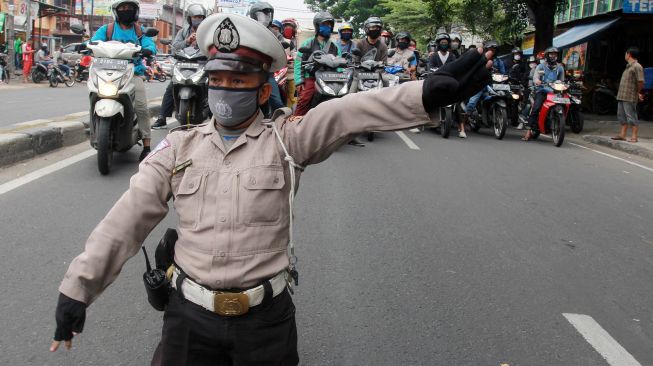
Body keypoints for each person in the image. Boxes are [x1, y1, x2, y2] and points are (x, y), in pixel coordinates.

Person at [49, 12, 494, 364]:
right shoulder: (177, 148)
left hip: (265, 322)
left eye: (239, 82)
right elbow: (126, 220)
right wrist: (77, 291)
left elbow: (348, 112)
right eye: (218, 80)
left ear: (263, 92)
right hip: (186, 318)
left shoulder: (288, 139)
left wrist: (425, 95)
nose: (225, 91)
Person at [91, 0, 157, 160]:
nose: (126, 11)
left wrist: (149, 49)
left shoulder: (139, 31)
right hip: (106, 71)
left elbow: (150, 44)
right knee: (93, 95)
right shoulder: (107, 30)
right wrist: (84, 45)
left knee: (141, 107)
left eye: (129, 8)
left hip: (132, 73)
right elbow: (92, 41)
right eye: (123, 8)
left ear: (135, 11)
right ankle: (94, 132)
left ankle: (147, 146)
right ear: (116, 11)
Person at [152, 3, 207, 130]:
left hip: (202, 64)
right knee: (172, 86)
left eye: (200, 17)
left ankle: (213, 114)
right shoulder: (183, 32)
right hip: (183, 63)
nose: (197, 19)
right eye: (195, 17)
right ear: (189, 18)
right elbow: (175, 46)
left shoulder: (208, 32)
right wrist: (187, 41)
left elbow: (213, 47)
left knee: (211, 85)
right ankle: (162, 117)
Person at [293, 11, 341, 116]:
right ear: (317, 26)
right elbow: (298, 63)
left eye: (329, 25)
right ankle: (296, 121)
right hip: (311, 77)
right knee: (304, 99)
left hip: (330, 78)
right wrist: (299, 81)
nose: (327, 27)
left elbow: (340, 62)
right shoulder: (308, 43)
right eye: (324, 24)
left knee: (340, 100)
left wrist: (340, 75)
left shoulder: (335, 46)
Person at [460, 40, 504, 139]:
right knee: (472, 103)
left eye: (494, 49)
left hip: (493, 85)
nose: (493, 51)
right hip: (480, 84)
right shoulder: (481, 59)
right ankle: (462, 123)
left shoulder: (499, 61)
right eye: (491, 49)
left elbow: (503, 73)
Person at [249, 1, 284, 116]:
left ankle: (278, 125)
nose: (266, 17)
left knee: (277, 102)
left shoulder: (274, 32)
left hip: (267, 72)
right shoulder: (247, 29)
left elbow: (281, 42)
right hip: (249, 71)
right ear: (254, 15)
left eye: (269, 14)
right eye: (263, 14)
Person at [522, 46, 565, 141]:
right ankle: (528, 132)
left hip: (554, 91)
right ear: (547, 55)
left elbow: (562, 80)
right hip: (542, 90)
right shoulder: (541, 66)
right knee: (536, 108)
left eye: (555, 54)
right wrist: (537, 80)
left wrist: (563, 84)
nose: (553, 56)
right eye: (551, 54)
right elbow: (536, 77)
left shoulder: (560, 68)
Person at [611, 46, 645, 143]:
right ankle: (622, 135)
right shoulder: (628, 66)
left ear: (629, 54)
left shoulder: (637, 66)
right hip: (622, 95)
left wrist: (638, 92)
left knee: (631, 116)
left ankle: (634, 136)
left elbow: (640, 81)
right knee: (621, 115)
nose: (625, 55)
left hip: (630, 95)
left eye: (626, 53)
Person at [282, 18, 299, 109]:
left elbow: (296, 56)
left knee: (292, 96)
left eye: (290, 27)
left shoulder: (294, 41)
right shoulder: (278, 40)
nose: (288, 29)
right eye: (286, 27)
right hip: (278, 72)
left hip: (291, 72)